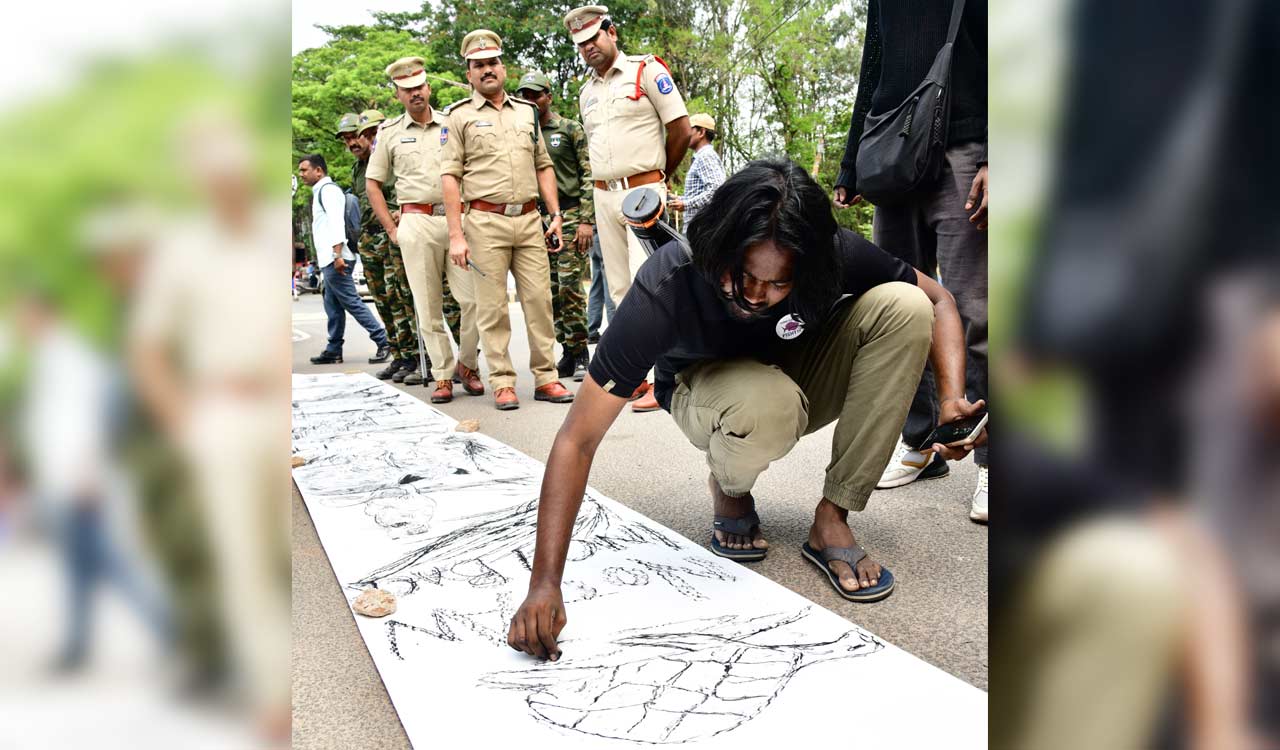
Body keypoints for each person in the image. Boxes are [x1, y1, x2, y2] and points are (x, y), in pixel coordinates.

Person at [506, 159, 986, 660]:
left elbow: (939, 300)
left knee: (904, 306)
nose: (758, 296)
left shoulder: (829, 252)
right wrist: (544, 583)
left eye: (781, 284)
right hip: (709, 390)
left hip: (791, 376)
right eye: (744, 276)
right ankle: (730, 487)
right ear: (718, 248)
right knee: (764, 404)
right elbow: (576, 440)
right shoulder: (668, 283)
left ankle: (833, 516)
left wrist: (951, 398)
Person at [833, 0, 989, 523]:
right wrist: (851, 163)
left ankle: (993, 460)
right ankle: (921, 443)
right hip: (895, 151)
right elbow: (871, 67)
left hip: (962, 149)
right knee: (901, 303)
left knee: (975, 310)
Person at [564, 4, 691, 412]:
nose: (588, 49)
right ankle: (635, 375)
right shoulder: (585, 92)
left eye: (593, 39)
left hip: (643, 191)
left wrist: (659, 179)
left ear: (611, 31)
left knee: (653, 284)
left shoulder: (646, 71)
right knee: (620, 290)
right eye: (580, 45)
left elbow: (681, 130)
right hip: (603, 194)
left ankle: (665, 380)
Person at [440, 30, 575, 410]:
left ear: (503, 67)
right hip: (484, 222)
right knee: (492, 307)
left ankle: (547, 378)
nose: (487, 70)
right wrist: (456, 235)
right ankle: (502, 381)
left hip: (530, 221)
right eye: (478, 65)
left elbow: (543, 165)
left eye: (492, 63)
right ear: (469, 73)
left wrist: (555, 215)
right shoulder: (458, 117)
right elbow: (450, 176)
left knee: (539, 301)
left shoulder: (527, 112)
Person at [367, 57, 484, 403]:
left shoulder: (454, 122)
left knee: (472, 300)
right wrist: (391, 228)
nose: (415, 93)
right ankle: (442, 374)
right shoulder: (388, 133)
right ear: (398, 95)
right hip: (415, 222)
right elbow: (373, 184)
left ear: (428, 88)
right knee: (428, 306)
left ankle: (468, 364)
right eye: (407, 90)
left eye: (419, 86)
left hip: (457, 221)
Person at [515, 70, 594, 382]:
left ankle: (580, 350)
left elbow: (588, 174)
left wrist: (587, 220)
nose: (530, 100)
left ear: (549, 95)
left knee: (570, 287)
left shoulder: (570, 129)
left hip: (572, 214)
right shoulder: (523, 131)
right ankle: (567, 351)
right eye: (525, 95)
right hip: (537, 219)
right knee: (547, 290)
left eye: (536, 94)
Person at [299, 153, 389, 365]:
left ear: (318, 170)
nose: (300, 174)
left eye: (304, 170)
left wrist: (337, 254)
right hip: (329, 258)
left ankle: (383, 340)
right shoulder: (321, 191)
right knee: (333, 305)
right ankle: (334, 349)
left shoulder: (328, 191)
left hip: (336, 258)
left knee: (352, 302)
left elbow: (336, 224)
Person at [335, 112, 408, 370]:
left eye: (356, 136)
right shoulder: (357, 168)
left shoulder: (385, 160)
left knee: (400, 296)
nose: (353, 143)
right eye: (347, 140)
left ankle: (415, 356)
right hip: (368, 239)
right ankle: (398, 355)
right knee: (382, 299)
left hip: (388, 233)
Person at [669, 113, 727, 224]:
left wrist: (686, 204)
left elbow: (716, 190)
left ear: (701, 132)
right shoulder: (702, 157)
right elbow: (698, 194)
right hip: (697, 228)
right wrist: (679, 200)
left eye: (689, 130)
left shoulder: (706, 156)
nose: (685, 134)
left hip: (701, 229)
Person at [586, 233, 616, 344]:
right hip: (603, 235)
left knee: (597, 284)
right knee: (610, 283)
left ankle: (591, 330)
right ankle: (614, 329)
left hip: (593, 237)